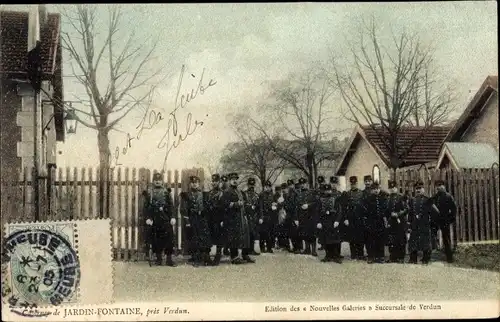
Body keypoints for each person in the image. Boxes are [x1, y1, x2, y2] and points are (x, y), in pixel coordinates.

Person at [143, 172, 177, 266]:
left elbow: (171, 206)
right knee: (156, 239)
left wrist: (173, 217)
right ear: (153, 181)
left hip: (165, 218)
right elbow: (146, 207)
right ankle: (158, 259)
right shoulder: (150, 193)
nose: (158, 182)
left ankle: (169, 259)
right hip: (155, 219)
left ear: (162, 182)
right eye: (156, 180)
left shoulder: (166, 192)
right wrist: (148, 218)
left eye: (159, 180)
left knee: (169, 239)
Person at [220, 172, 255, 264]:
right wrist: (236, 204)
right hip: (232, 218)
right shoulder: (227, 192)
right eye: (232, 179)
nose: (235, 181)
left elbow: (243, 202)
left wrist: (247, 206)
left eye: (236, 179)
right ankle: (234, 257)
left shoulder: (239, 191)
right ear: (229, 181)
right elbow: (224, 205)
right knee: (234, 238)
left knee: (245, 236)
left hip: (241, 217)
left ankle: (245, 254)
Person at [182, 175, 214, 267]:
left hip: (202, 218)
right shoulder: (186, 195)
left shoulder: (203, 194)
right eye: (192, 183)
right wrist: (187, 221)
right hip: (192, 218)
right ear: (190, 184)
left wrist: (204, 213)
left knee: (204, 236)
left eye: (196, 183)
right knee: (194, 237)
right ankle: (196, 257)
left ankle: (206, 257)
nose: (194, 184)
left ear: (199, 184)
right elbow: (184, 209)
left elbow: (207, 206)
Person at [408, 180, 439, 264]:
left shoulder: (428, 200)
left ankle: (426, 259)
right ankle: (413, 259)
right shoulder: (412, 200)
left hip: (424, 224)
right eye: (416, 188)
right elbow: (410, 213)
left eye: (420, 188)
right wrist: (409, 224)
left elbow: (436, 212)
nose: (418, 190)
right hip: (415, 225)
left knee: (425, 242)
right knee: (413, 242)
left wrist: (431, 222)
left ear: (423, 189)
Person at [431, 180, 457, 263]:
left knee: (446, 238)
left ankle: (449, 257)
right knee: (432, 235)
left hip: (445, 220)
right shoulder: (435, 196)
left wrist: (450, 219)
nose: (439, 187)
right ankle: (432, 254)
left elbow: (454, 209)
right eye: (437, 186)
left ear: (444, 186)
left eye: (440, 185)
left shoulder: (448, 196)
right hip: (436, 220)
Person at [317, 183, 344, 263]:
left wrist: (337, 221)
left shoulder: (335, 199)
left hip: (333, 220)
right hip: (324, 221)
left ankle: (336, 256)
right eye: (326, 190)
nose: (327, 192)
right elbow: (317, 212)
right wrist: (318, 222)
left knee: (335, 239)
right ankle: (328, 255)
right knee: (326, 239)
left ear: (331, 190)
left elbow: (339, 211)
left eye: (328, 190)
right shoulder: (320, 200)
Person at [363, 181, 389, 264]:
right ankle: (371, 256)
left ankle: (380, 256)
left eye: (377, 189)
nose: (376, 191)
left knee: (380, 239)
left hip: (380, 222)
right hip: (371, 222)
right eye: (374, 189)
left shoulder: (383, 198)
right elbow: (365, 211)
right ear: (371, 190)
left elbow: (385, 210)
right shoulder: (368, 199)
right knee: (371, 240)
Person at [386, 180, 408, 263]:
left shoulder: (401, 197)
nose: (392, 189)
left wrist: (398, 214)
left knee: (401, 239)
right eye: (391, 188)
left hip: (400, 222)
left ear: (397, 188)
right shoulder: (388, 198)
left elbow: (406, 209)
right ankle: (393, 257)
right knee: (392, 240)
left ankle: (401, 257)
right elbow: (386, 211)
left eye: (394, 187)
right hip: (391, 222)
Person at [344, 176, 365, 260]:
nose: (353, 185)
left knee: (360, 236)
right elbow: (345, 207)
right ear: (350, 184)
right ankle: (353, 254)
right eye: (352, 184)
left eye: (355, 183)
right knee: (352, 236)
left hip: (360, 217)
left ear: (357, 183)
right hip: (351, 217)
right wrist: (345, 218)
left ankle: (360, 254)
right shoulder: (347, 194)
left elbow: (364, 206)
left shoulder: (361, 193)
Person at [296, 178, 318, 256]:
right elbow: (297, 206)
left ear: (307, 184)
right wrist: (297, 218)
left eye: (304, 183)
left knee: (312, 233)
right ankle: (307, 249)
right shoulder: (298, 194)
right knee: (304, 233)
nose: (302, 185)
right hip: (302, 216)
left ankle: (314, 250)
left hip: (311, 216)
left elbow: (316, 202)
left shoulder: (312, 192)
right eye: (301, 184)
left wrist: (308, 205)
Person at [207, 174, 225, 265]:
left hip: (218, 218)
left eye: (216, 181)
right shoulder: (210, 193)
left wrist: (222, 219)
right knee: (211, 235)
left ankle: (218, 256)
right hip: (211, 218)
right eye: (213, 181)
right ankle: (209, 257)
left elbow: (223, 207)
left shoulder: (222, 193)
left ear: (219, 182)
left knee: (219, 237)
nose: (214, 183)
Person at [258, 181, 278, 253]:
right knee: (263, 233)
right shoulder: (261, 194)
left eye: (269, 186)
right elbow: (260, 207)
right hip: (264, 215)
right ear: (264, 187)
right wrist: (261, 217)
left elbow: (276, 204)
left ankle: (269, 248)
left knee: (270, 232)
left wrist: (275, 205)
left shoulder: (272, 195)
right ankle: (262, 247)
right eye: (266, 186)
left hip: (271, 216)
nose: (268, 188)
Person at [330, 176, 346, 259]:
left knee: (338, 236)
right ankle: (331, 253)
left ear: (337, 184)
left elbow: (342, 207)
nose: (334, 185)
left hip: (338, 217)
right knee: (330, 235)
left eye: (335, 183)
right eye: (332, 183)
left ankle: (338, 253)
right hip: (329, 218)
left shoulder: (340, 194)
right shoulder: (328, 194)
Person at [243, 177, 260, 256]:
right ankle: (247, 250)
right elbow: (243, 205)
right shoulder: (244, 194)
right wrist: (250, 207)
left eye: (252, 185)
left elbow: (259, 206)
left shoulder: (257, 195)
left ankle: (252, 249)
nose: (251, 186)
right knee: (248, 233)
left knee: (254, 233)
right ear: (248, 185)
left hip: (255, 216)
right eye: (250, 185)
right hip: (248, 216)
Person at [285, 179, 298, 253]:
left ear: (293, 185)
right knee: (290, 232)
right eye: (289, 185)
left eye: (291, 185)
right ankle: (292, 246)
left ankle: (296, 248)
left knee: (295, 232)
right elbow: (286, 204)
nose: (290, 186)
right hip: (289, 215)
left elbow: (296, 206)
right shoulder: (288, 194)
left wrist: (296, 217)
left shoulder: (296, 193)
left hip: (294, 215)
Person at [276, 183, 289, 250]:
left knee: (286, 230)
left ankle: (286, 245)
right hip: (281, 214)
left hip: (286, 213)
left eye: (285, 188)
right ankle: (282, 245)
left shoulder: (288, 195)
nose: (283, 190)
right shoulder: (282, 196)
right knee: (281, 229)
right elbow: (279, 204)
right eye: (282, 189)